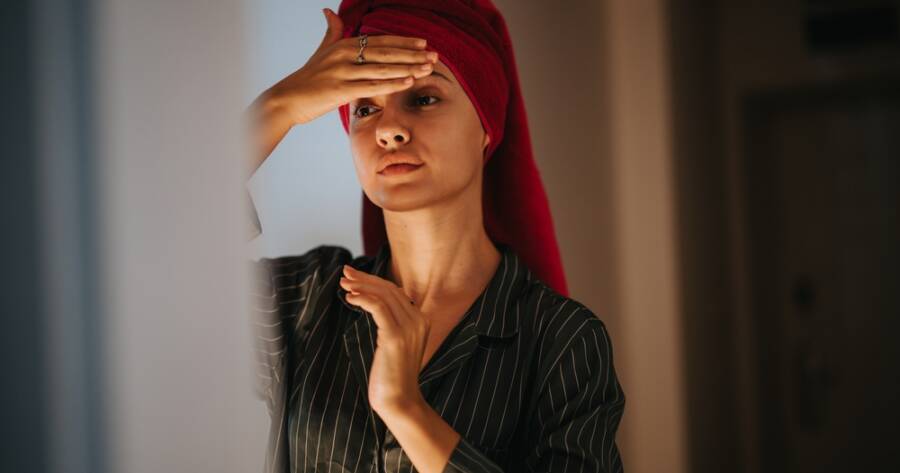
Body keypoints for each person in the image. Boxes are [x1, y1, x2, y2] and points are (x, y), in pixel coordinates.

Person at [245, 1, 625, 472]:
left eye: (423, 98)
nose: (388, 130)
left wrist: (406, 410)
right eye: (365, 108)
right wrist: (279, 105)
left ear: (486, 125)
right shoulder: (303, 300)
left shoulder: (563, 341)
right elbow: (159, 261)